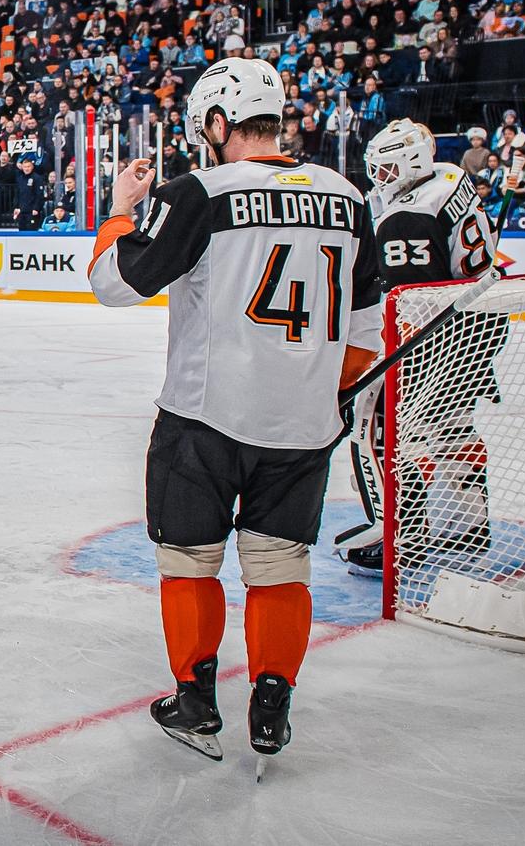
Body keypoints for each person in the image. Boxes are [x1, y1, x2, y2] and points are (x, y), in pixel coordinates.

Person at [87, 57, 381, 769]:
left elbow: (113, 284)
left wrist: (122, 209)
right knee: (281, 566)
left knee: (189, 560)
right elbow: (368, 324)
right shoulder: (347, 195)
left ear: (218, 124)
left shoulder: (201, 192)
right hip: (304, 427)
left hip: (204, 418)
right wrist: (327, 396)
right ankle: (272, 705)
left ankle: (196, 698)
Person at [338, 119, 503, 578]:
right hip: (480, 322)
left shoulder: (405, 214)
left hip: (434, 332)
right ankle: (467, 524)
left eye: (388, 168)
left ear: (411, 163)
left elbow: (397, 294)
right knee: (452, 428)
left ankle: (399, 533)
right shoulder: (450, 177)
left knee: (378, 430)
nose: (380, 177)